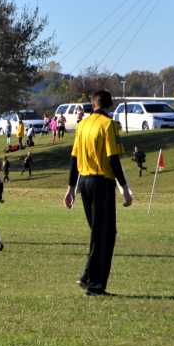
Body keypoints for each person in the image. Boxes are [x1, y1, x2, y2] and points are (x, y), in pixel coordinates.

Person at [65, 89, 132, 297]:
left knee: (98, 232)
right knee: (105, 234)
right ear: (110, 104)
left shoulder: (82, 125)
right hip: (101, 183)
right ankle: (95, 285)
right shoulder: (108, 125)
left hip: (84, 182)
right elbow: (113, 159)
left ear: (93, 104)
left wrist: (70, 188)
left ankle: (87, 277)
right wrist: (125, 189)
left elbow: (74, 159)